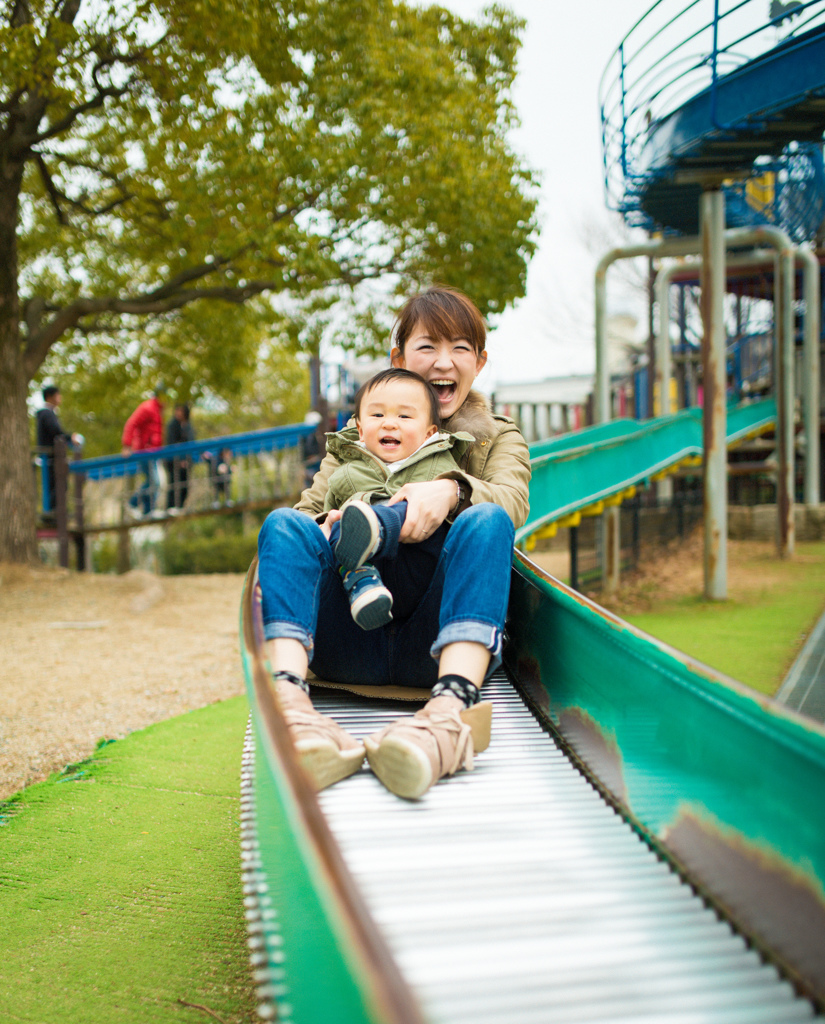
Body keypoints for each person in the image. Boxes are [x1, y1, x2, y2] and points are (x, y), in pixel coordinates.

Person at [256, 286, 531, 800]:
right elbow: (304, 515)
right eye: (428, 346)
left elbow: (513, 500)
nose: (443, 361)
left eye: (460, 348)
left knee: (489, 519)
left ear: (480, 362)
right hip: (347, 637)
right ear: (399, 357)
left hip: (431, 641)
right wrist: (329, 526)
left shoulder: (496, 437)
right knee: (282, 524)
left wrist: (449, 491)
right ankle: (292, 706)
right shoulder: (356, 439)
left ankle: (449, 712)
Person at [324, 367, 474, 632]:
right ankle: (364, 587)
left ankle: (379, 527)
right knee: (340, 523)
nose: (389, 423)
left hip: (419, 569)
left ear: (429, 434)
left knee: (412, 502)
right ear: (360, 429)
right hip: (362, 578)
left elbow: (458, 515)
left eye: (404, 416)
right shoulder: (345, 472)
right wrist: (328, 524)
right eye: (377, 414)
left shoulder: (439, 465)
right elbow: (325, 521)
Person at [35, 385, 82, 516]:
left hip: (50, 457)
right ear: (50, 397)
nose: (60, 398)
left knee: (56, 484)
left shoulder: (47, 413)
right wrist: (70, 437)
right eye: (58, 395)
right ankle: (52, 512)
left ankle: (53, 511)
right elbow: (55, 432)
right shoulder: (47, 413)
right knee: (59, 484)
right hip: (51, 457)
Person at [122, 385, 167, 518]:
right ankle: (133, 503)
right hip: (144, 451)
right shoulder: (147, 407)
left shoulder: (158, 410)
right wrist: (126, 445)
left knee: (155, 481)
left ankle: (148, 510)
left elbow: (155, 432)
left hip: (154, 452)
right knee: (155, 482)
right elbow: (131, 423)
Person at [164, 403, 194, 512]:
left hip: (186, 461)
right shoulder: (172, 425)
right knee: (173, 484)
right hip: (173, 461)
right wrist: (179, 459)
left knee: (185, 486)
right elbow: (171, 442)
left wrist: (187, 459)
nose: (178, 413)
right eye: (177, 410)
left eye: (181, 411)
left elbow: (191, 442)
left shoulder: (188, 426)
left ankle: (180, 506)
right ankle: (170, 507)